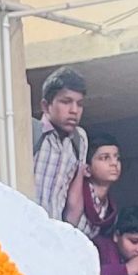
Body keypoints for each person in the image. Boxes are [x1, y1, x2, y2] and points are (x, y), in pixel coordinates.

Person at [32, 67, 91, 224]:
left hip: (55, 232)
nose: (74, 110)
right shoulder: (31, 132)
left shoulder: (79, 140)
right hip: (24, 228)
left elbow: (74, 199)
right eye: (66, 102)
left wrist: (70, 230)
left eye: (79, 104)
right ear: (46, 106)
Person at [78, 132, 127, 237]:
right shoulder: (78, 195)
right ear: (87, 169)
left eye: (117, 158)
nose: (114, 163)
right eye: (105, 158)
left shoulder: (108, 206)